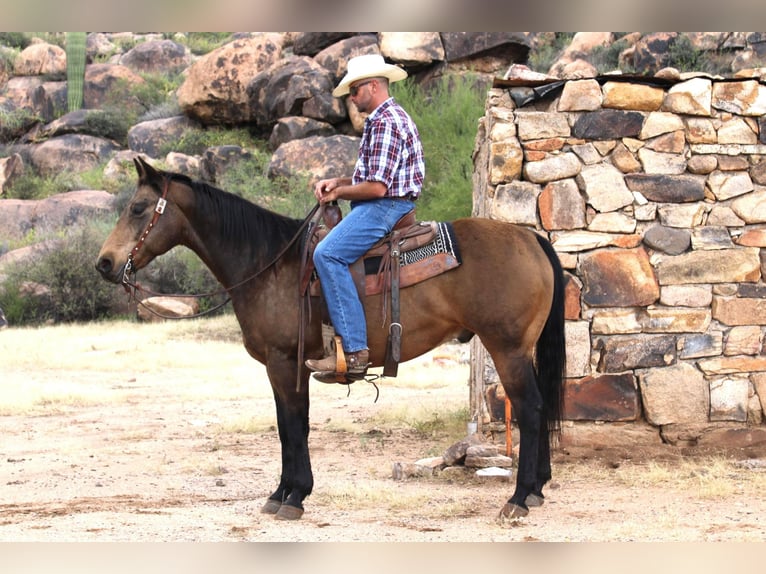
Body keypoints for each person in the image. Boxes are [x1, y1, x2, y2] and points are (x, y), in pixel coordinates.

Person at [305, 54, 425, 381]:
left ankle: (355, 351)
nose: (352, 98)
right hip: (383, 202)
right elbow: (370, 178)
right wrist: (340, 183)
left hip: (386, 206)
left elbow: (377, 188)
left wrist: (340, 194)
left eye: (355, 90)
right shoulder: (380, 119)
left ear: (373, 86)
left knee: (326, 254)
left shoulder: (387, 122)